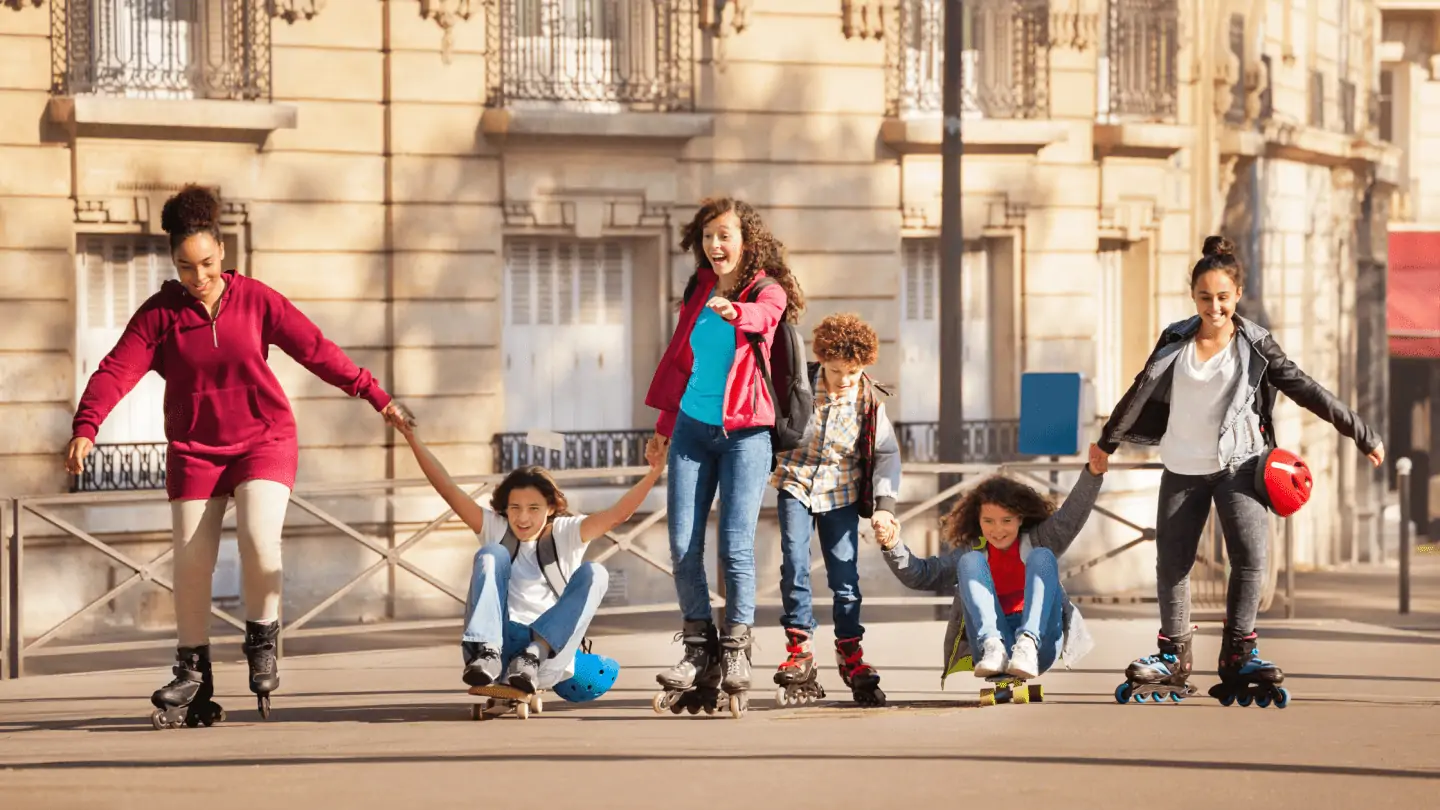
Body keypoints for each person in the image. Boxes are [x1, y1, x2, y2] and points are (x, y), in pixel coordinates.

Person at [65, 184, 412, 728]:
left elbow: (316, 351)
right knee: (191, 561)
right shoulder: (159, 316)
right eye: (184, 266)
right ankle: (193, 671)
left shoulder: (257, 300)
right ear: (173, 261)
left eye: (205, 263)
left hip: (263, 439)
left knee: (256, 534)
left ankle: (262, 638)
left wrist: (376, 395)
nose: (196, 276)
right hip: (194, 450)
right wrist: (87, 426)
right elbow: (115, 371)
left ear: (222, 252)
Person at [1095, 235, 1385, 706]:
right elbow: (1139, 393)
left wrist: (1361, 432)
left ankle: (1239, 652)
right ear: (1194, 296)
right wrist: (1106, 443)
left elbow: (1306, 389)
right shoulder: (1174, 340)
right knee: (1173, 562)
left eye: (1223, 298)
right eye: (1205, 297)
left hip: (1241, 465)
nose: (1215, 307)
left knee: (1250, 559)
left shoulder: (1255, 345)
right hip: (1182, 467)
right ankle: (1173, 655)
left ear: (1237, 297)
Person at [644, 196, 806, 714]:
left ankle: (736, 649)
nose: (716, 245)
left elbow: (764, 318)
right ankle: (698, 650)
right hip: (692, 429)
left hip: (746, 433)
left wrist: (736, 310)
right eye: (708, 236)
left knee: (735, 545)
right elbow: (680, 361)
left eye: (725, 235)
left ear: (745, 240)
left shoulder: (767, 290)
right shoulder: (697, 287)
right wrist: (664, 427)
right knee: (682, 544)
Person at [397, 418, 663, 695]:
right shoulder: (495, 528)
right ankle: (488, 652)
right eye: (515, 508)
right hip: (495, 648)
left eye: (533, 508)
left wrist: (654, 473)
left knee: (596, 573)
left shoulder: (566, 532)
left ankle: (532, 655)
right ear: (505, 508)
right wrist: (412, 438)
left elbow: (617, 515)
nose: (522, 518)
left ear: (550, 507)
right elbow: (448, 490)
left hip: (545, 654)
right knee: (491, 553)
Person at [877, 462, 1106, 689]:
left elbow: (1071, 517)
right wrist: (892, 545)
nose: (997, 530)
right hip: (990, 648)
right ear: (977, 520)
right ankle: (993, 645)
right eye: (988, 521)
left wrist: (1093, 474)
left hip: (1041, 647)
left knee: (1043, 557)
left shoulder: (1038, 539)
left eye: (1007, 521)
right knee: (970, 561)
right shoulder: (973, 551)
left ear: (1020, 519)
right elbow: (923, 575)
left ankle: (1027, 643)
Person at [770, 313, 900, 707]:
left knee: (845, 577)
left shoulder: (869, 402)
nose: (844, 379)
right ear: (821, 360)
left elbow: (887, 454)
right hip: (795, 482)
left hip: (842, 492)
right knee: (794, 563)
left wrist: (885, 506)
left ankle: (850, 650)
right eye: (835, 370)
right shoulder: (799, 386)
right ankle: (800, 648)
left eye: (853, 371)